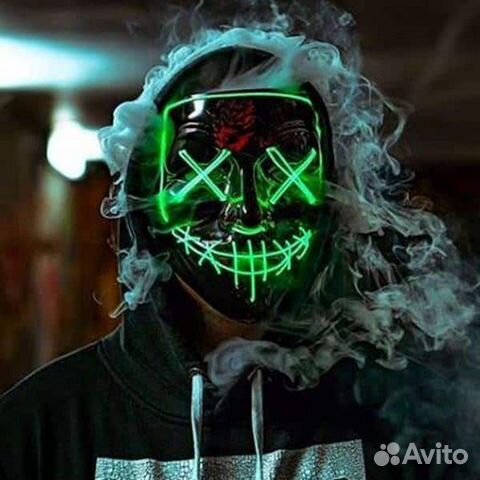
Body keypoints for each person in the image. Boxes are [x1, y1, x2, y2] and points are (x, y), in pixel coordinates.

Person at [1, 5, 478, 480]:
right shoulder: (38, 431)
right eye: (203, 163)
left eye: (286, 160)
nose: (249, 213)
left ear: (334, 197)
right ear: (148, 203)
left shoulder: (416, 421)